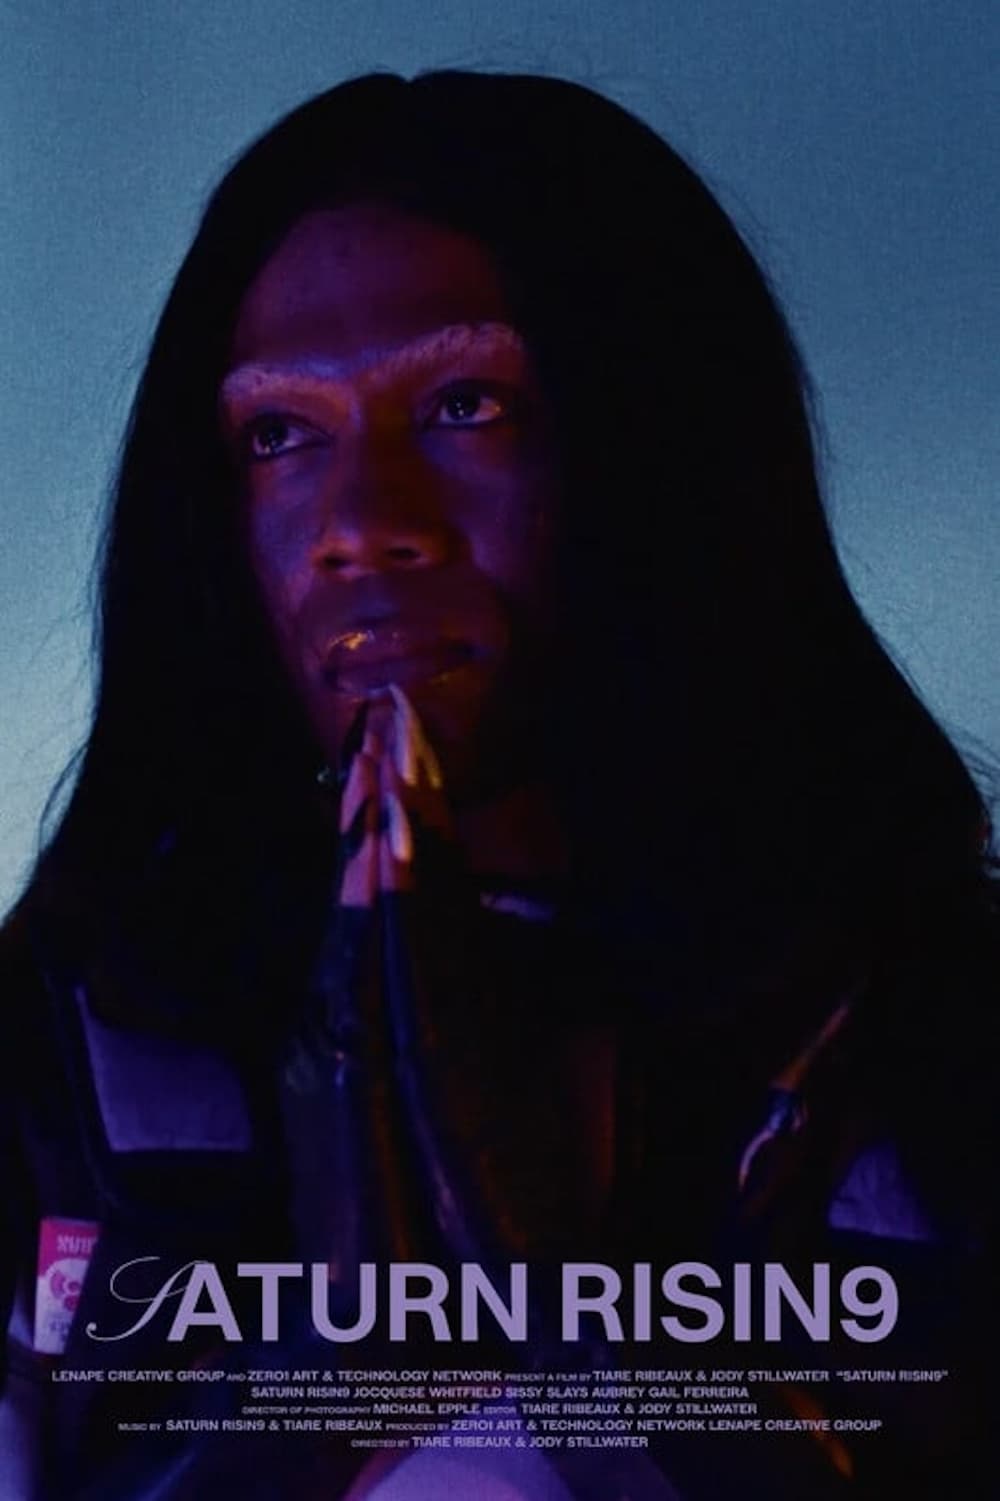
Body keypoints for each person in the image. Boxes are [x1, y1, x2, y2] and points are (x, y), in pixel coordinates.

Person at [1, 68, 996, 1499]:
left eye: (465, 405)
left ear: (664, 449)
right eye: (280, 434)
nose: (362, 526)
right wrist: (320, 1384)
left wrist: (578, 1330)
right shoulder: (56, 1060)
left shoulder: (933, 1042)